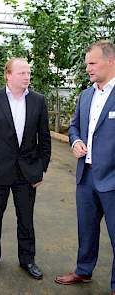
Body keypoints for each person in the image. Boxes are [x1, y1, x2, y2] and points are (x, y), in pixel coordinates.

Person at [0, 57, 51, 279]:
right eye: (22, 73)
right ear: (8, 75)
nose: (27, 77)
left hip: (27, 173)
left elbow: (45, 139)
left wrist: (40, 169)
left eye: (28, 73)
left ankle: (27, 260)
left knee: (26, 219)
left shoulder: (38, 101)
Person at [55, 40, 115, 295]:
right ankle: (83, 270)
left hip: (112, 178)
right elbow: (74, 126)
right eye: (86, 64)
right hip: (86, 176)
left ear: (110, 61)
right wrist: (76, 141)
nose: (88, 68)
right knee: (86, 229)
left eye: (92, 63)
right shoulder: (86, 94)